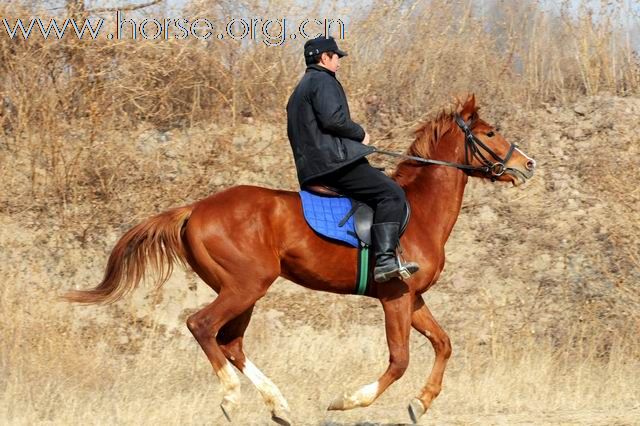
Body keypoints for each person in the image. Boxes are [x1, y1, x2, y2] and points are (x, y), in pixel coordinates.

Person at [286, 35, 419, 283]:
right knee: (391, 193)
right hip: (333, 165)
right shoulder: (323, 80)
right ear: (325, 57)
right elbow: (333, 120)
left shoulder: (300, 89)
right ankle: (385, 261)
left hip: (312, 167)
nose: (339, 61)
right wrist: (360, 134)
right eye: (336, 56)